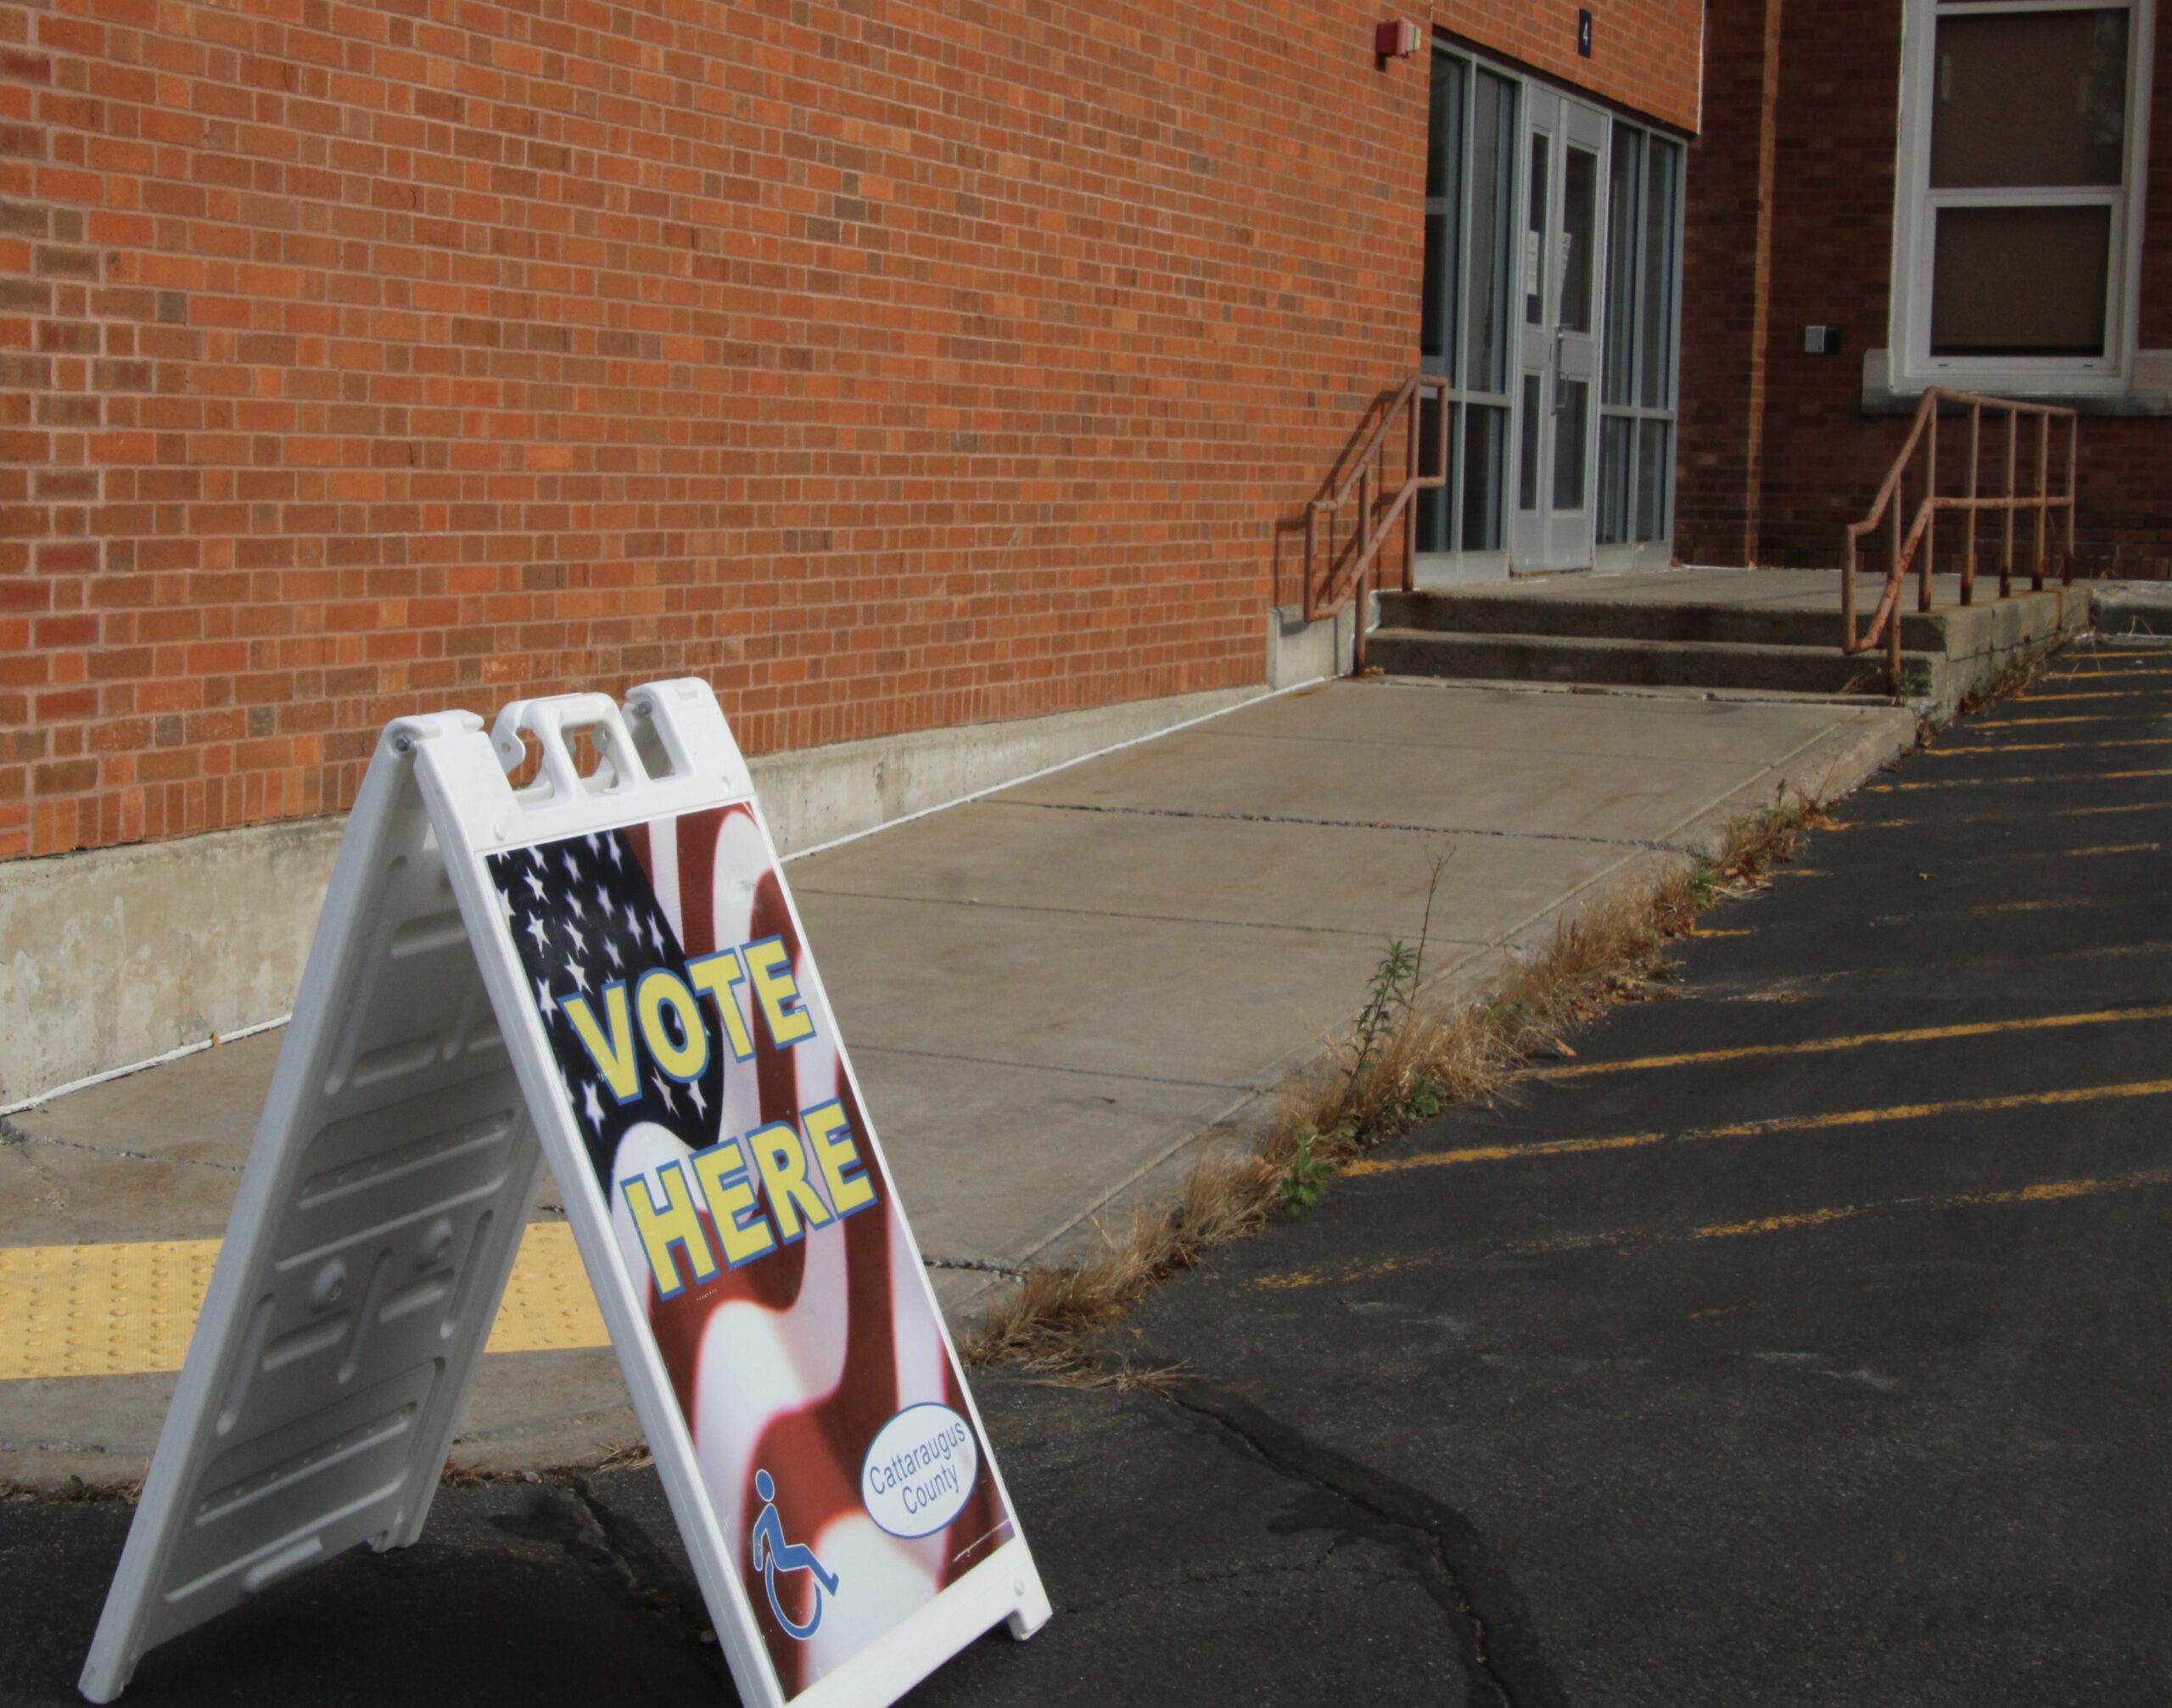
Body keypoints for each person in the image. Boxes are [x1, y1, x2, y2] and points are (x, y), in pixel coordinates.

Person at [750, 1467, 839, 1639]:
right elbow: (757, 1533)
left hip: (782, 1554)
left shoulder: (772, 1508)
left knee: (805, 1553)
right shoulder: (768, 1511)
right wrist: (759, 1561)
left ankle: (828, 1584)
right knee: (806, 1554)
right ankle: (829, 1583)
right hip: (781, 1557)